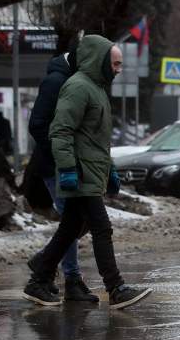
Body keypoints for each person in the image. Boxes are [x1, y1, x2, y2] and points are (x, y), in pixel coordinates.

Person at [21, 34, 152, 310]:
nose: (118, 70)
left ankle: (40, 274)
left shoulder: (96, 88)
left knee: (71, 228)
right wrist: (67, 168)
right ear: (99, 61)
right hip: (78, 173)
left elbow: (97, 140)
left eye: (119, 65)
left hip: (90, 171)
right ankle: (115, 288)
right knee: (101, 228)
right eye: (115, 64)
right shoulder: (78, 87)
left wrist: (110, 171)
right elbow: (60, 131)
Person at [27, 39, 97, 303]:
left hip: (68, 163)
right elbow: (38, 124)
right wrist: (62, 155)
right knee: (72, 221)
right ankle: (67, 279)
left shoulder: (73, 80)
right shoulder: (56, 81)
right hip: (54, 165)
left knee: (78, 220)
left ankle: (46, 263)